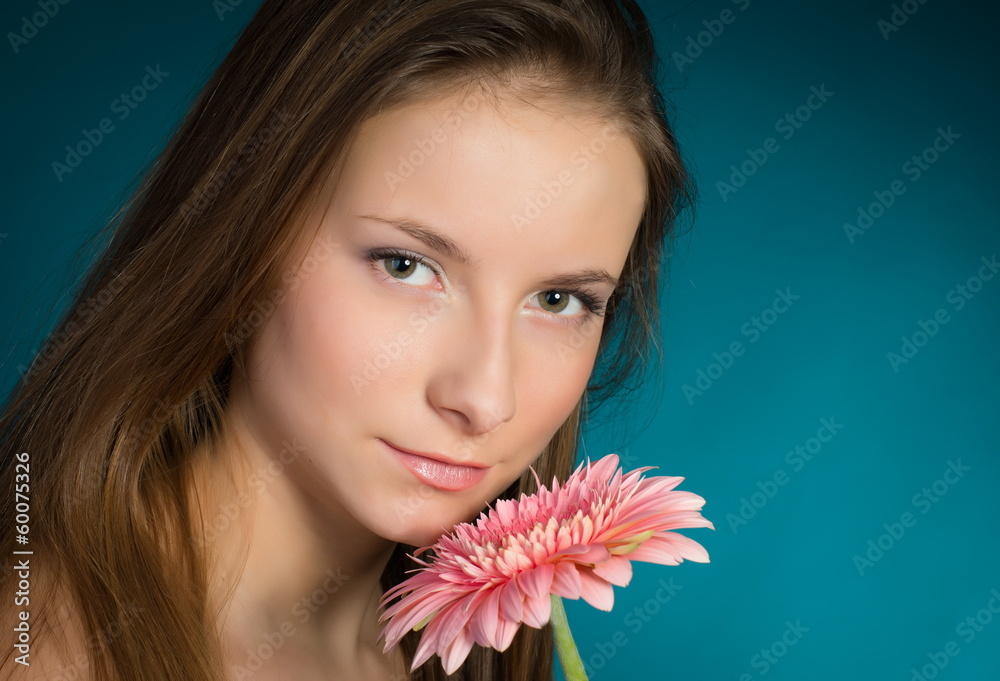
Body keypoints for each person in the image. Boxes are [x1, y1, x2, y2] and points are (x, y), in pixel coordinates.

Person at [0, 0, 695, 679]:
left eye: (557, 300)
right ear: (248, 233)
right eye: (406, 265)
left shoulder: (479, 652)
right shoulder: (32, 646)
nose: (484, 397)